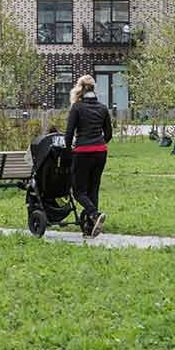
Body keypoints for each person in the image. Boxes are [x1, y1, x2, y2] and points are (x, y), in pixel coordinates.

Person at [64, 74, 112, 236]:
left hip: (83, 152)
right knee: (94, 189)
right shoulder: (103, 108)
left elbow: (69, 133)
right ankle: (91, 226)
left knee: (78, 191)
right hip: (101, 152)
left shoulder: (77, 108)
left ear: (80, 89)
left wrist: (69, 148)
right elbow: (109, 134)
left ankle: (94, 214)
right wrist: (98, 143)